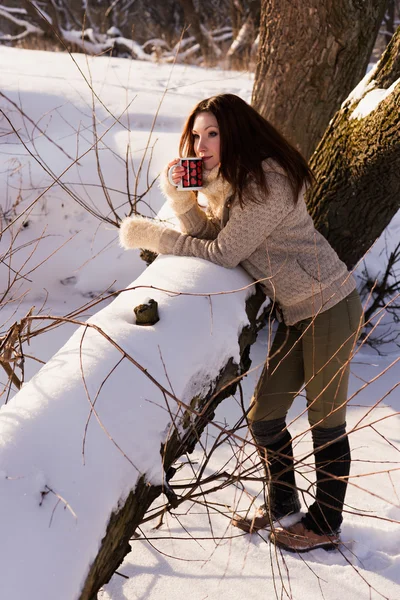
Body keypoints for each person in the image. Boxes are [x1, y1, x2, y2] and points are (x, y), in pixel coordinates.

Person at [119, 94, 364, 553]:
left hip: (329, 306)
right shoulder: (235, 181)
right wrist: (183, 201)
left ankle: (326, 521)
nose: (202, 143)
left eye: (213, 133)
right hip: (296, 312)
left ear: (236, 133)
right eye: (196, 134)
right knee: (265, 414)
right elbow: (218, 235)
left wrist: (157, 236)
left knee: (325, 418)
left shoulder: (266, 183)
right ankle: (282, 502)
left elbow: (223, 254)